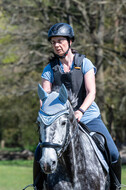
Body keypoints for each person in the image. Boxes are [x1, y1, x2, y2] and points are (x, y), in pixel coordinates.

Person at [34, 23, 121, 190]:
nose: (57, 45)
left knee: (113, 152)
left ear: (70, 41)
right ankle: (38, 186)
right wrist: (46, 115)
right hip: (59, 122)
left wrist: (80, 111)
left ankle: (115, 186)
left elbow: (91, 92)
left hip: (88, 116)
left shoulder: (84, 63)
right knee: (39, 151)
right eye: (53, 42)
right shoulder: (49, 69)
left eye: (60, 41)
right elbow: (44, 97)